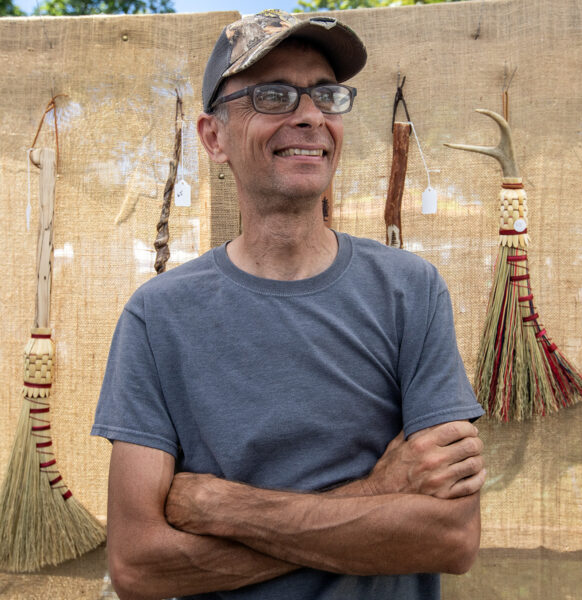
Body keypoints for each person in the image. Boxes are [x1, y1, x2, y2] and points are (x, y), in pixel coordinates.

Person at [92, 9, 486, 600]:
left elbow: (450, 539)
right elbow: (139, 566)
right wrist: (374, 499)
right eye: (273, 96)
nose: (309, 116)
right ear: (214, 137)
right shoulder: (158, 318)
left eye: (326, 95)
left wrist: (223, 506)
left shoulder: (410, 291)